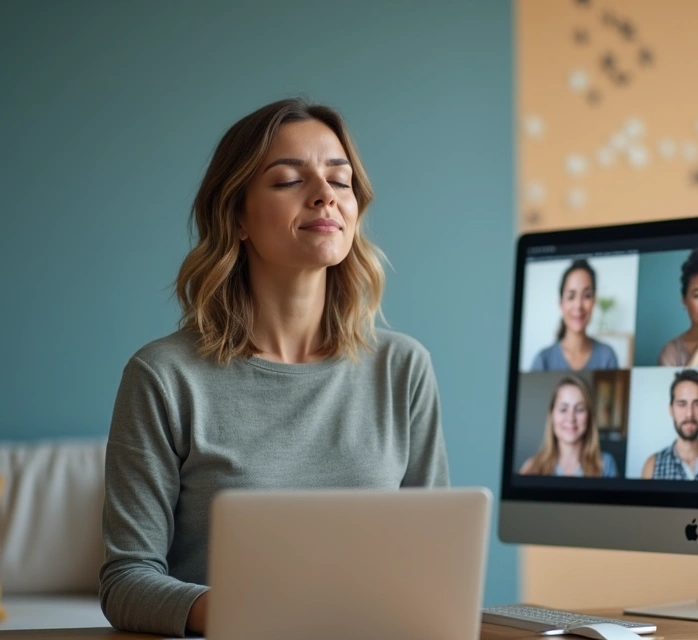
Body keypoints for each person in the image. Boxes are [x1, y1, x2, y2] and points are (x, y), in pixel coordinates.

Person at [98, 99, 450, 637]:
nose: (325, 195)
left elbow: (435, 566)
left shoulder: (403, 368)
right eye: (288, 180)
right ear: (235, 215)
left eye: (341, 180)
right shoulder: (163, 376)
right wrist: (242, 612)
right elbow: (126, 581)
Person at [530, 259, 620, 372]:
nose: (578, 305)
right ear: (561, 304)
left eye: (586, 295)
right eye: (571, 297)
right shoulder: (543, 360)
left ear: (594, 301)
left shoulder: (607, 356)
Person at [520, 376, 618, 477]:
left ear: (589, 416)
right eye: (563, 409)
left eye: (579, 409)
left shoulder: (606, 464)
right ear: (552, 414)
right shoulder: (531, 467)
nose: (571, 418)